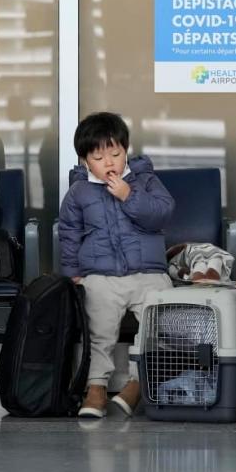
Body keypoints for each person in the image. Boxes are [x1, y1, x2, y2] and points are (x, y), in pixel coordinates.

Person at [58, 112, 175, 418]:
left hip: (149, 272)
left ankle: (138, 384)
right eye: (99, 156)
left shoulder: (144, 180)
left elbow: (162, 213)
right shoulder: (79, 192)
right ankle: (95, 387)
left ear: (126, 150)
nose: (109, 162)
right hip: (101, 275)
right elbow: (69, 233)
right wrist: (74, 273)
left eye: (116, 153)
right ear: (85, 161)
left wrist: (129, 196)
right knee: (99, 331)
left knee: (159, 324)